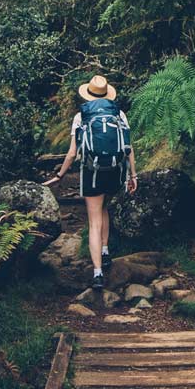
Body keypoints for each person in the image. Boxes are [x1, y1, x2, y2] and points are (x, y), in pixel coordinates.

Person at [49, 74, 138, 292]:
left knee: (94, 221)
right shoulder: (119, 114)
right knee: (104, 207)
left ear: (88, 94)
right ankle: (106, 251)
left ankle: (98, 273)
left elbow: (72, 154)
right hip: (115, 171)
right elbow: (128, 148)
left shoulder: (82, 117)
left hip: (92, 173)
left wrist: (60, 175)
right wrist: (132, 175)